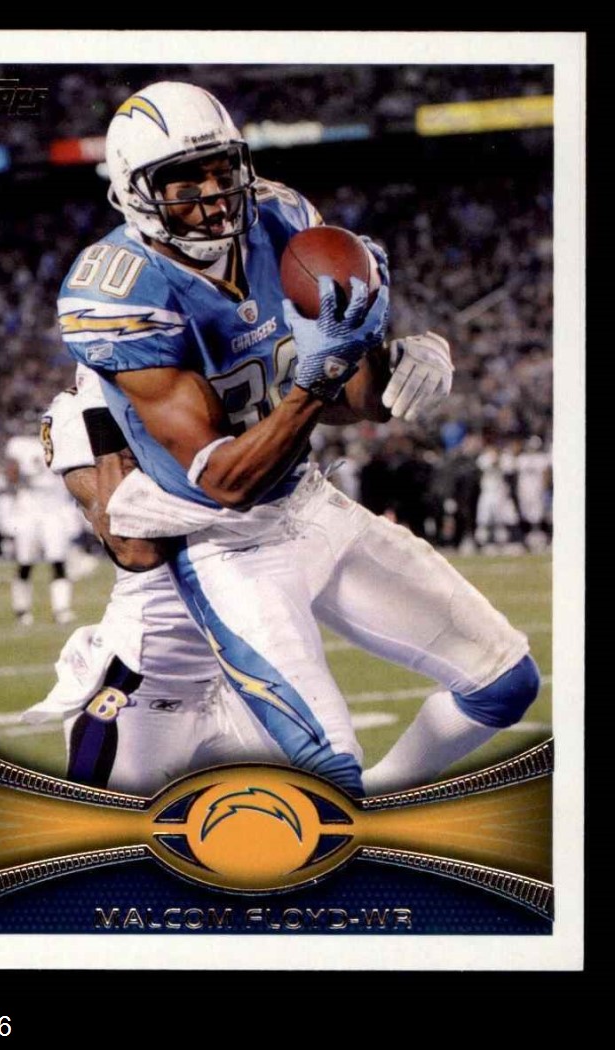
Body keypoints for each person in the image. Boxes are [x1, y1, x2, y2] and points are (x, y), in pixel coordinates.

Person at [58, 81, 539, 797]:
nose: (214, 196)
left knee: (505, 682)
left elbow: (357, 400)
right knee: (327, 773)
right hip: (226, 545)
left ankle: (383, 802)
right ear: (134, 191)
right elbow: (223, 479)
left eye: (221, 169)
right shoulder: (119, 290)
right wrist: (315, 380)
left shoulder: (282, 217)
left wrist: (399, 356)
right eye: (184, 181)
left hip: (306, 501)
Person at [22, 363, 284, 795]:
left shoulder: (218, 376)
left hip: (237, 681)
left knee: (297, 824)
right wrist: (106, 420)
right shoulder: (82, 411)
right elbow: (135, 549)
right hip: (145, 682)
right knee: (104, 834)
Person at [0, 430, 78, 625]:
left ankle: (61, 609)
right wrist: (21, 478)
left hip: (54, 507)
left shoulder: (60, 438)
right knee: (26, 562)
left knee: (57, 560)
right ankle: (22, 610)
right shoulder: (20, 443)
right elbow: (11, 474)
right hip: (30, 509)